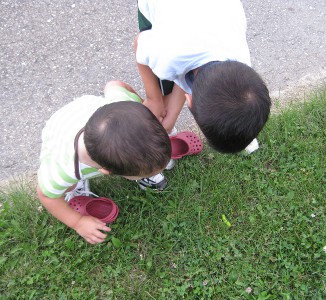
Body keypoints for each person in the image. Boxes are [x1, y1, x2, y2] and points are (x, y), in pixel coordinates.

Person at [36, 81, 171, 244]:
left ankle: (139, 168)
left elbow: (115, 84)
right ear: (107, 171)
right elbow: (46, 195)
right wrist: (77, 222)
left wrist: (144, 119)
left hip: (92, 113)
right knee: (66, 186)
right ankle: (76, 188)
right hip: (59, 129)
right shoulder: (65, 168)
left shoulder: (125, 107)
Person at [134, 0, 271, 154]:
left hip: (213, 12)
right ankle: (166, 132)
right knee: (164, 82)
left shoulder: (241, 62)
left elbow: (200, 71)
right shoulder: (166, 57)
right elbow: (140, 42)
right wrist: (154, 99)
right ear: (189, 99)